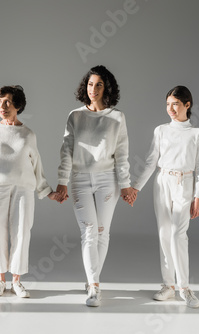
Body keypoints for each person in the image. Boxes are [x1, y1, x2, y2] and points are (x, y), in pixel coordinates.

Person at [55, 65, 135, 307]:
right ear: (85, 87)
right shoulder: (75, 116)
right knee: (89, 232)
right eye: (90, 84)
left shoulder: (117, 118)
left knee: (102, 232)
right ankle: (94, 287)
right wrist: (61, 181)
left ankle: (92, 280)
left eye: (99, 84)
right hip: (79, 179)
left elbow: (122, 154)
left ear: (106, 87)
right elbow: (66, 150)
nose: (93, 89)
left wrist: (126, 185)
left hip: (106, 180)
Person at [0, 85, 58, 298]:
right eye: (0, 102)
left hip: (23, 188)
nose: (3, 106)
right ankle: (0, 280)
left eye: (8, 102)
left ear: (18, 105)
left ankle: (17, 281)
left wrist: (48, 192)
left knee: (22, 232)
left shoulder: (28, 135)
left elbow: (36, 165)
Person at [130, 86, 199, 308]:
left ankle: (185, 287)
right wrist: (136, 187)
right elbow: (151, 161)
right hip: (163, 182)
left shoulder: (197, 134)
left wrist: (198, 196)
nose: (171, 109)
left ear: (187, 105)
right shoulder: (161, 130)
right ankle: (168, 286)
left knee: (177, 234)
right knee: (164, 233)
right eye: (168, 104)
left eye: (175, 104)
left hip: (186, 183)